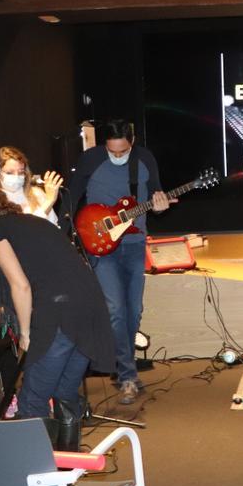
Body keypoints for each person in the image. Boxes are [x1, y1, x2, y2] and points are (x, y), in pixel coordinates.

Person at [0, 182, 115, 420]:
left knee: (32, 400)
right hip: (90, 310)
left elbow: (20, 285)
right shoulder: (37, 223)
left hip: (59, 314)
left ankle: (39, 458)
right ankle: (67, 455)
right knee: (64, 392)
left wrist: (25, 334)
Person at [67, 120, 169, 404]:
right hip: (102, 245)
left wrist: (159, 205)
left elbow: (157, 196)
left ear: (132, 142)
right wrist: (78, 235)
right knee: (115, 310)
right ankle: (127, 376)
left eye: (123, 150)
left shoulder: (144, 159)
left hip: (135, 244)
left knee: (134, 311)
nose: (117, 155)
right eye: (112, 150)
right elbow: (71, 200)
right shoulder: (90, 160)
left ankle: (120, 366)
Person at [0, 145, 63, 226]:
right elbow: (23, 228)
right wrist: (49, 201)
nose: (16, 177)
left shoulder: (36, 193)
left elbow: (53, 226)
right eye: (9, 173)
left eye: (20, 172)